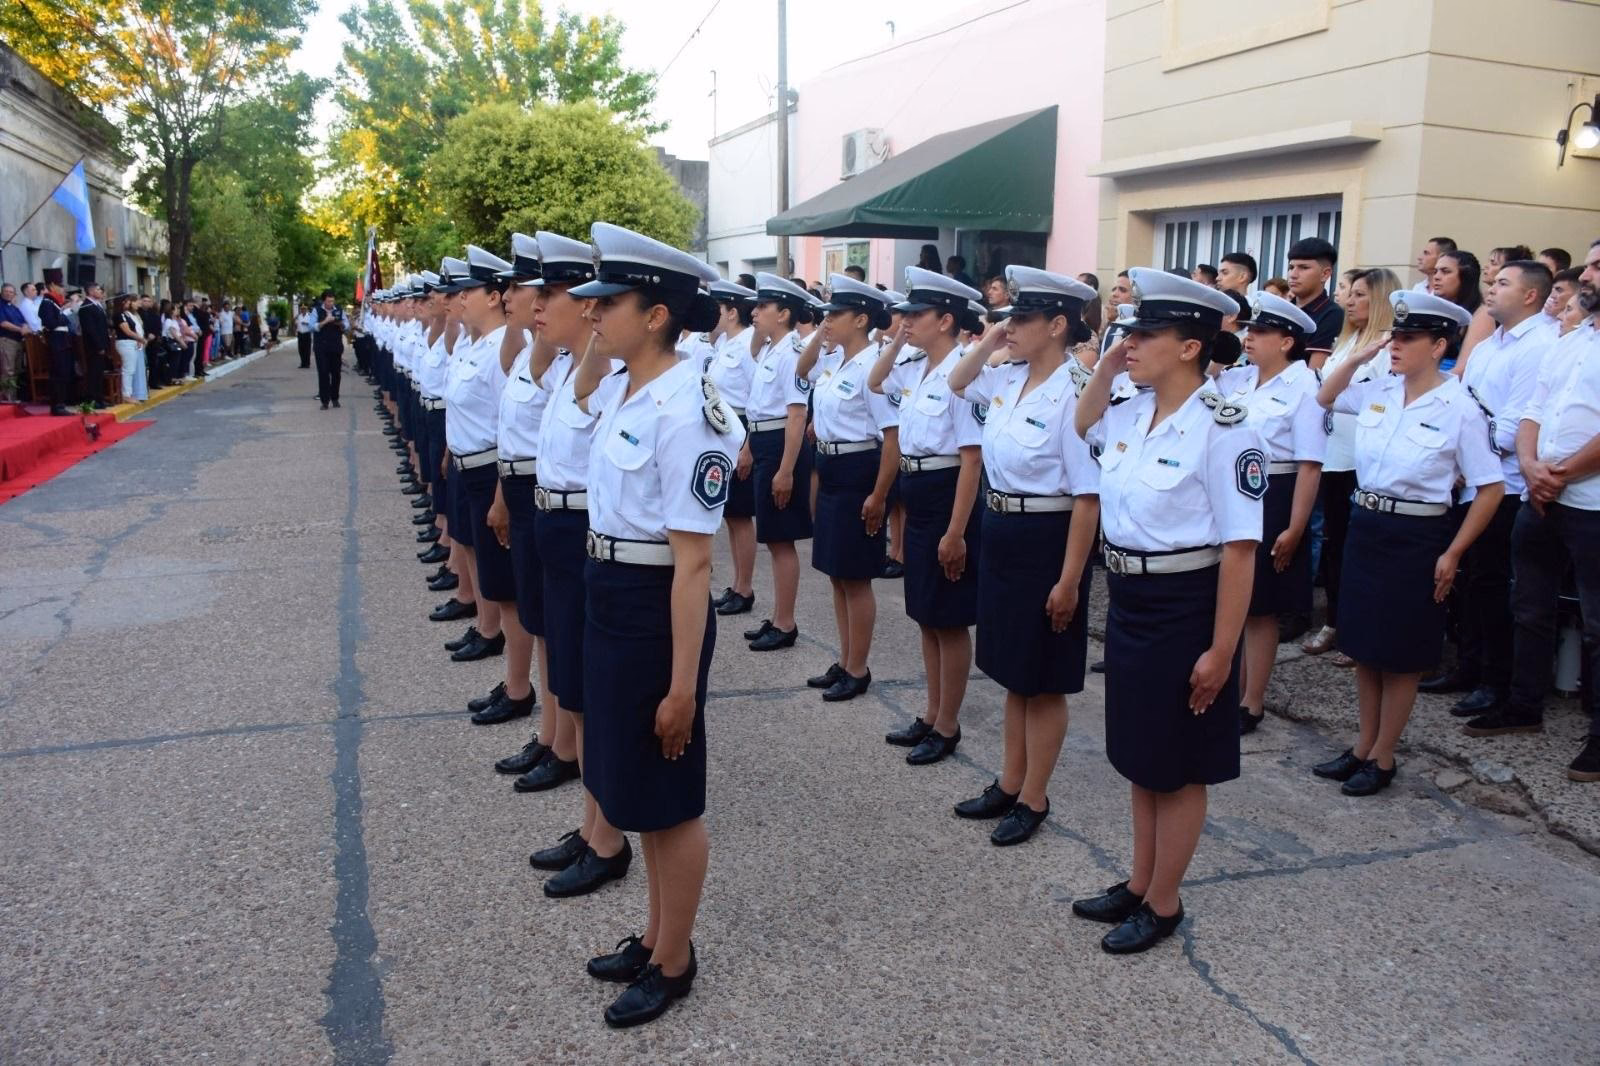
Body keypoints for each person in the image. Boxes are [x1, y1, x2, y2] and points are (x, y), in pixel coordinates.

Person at [566, 222, 741, 1028]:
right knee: (632, 786)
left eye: (611, 303)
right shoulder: (626, 389)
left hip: (654, 611)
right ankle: (653, 935)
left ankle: (674, 961)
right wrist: (598, 340)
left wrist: (683, 688)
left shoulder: (689, 410)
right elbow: (580, 386)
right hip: (609, 594)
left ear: (658, 314)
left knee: (669, 798)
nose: (593, 313)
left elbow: (694, 565)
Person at [1070, 268, 1263, 953]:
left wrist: (1222, 651)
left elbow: (1240, 551)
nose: (1131, 344)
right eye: (1129, 332)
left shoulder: (1224, 428)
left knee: (1178, 764)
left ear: (1189, 347)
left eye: (1146, 334)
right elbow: (1082, 422)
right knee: (1141, 754)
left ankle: (1165, 901)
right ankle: (1140, 880)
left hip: (1187, 607)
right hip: (1130, 600)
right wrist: (1108, 362)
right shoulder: (1129, 410)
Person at [1312, 290, 1503, 794]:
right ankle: (1362, 746)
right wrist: (1359, 355)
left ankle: (1384, 756)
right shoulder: (1379, 390)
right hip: (1368, 527)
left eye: (1409, 337)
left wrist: (1454, 551)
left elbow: (1490, 487)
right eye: (1394, 336)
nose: (1395, 345)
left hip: (1418, 536)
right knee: (1364, 647)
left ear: (1439, 345)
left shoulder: (1460, 408)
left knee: (1401, 653)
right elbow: (1325, 396)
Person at [939, 268, 1099, 846]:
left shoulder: (1078, 391)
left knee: (1044, 679)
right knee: (1012, 672)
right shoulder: (1008, 377)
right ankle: (1008, 782)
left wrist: (1070, 580)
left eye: (1022, 319)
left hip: (1047, 540)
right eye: (1010, 318)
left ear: (1057, 325)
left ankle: (1034, 797)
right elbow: (958, 380)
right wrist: (993, 337)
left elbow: (1087, 498)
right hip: (1001, 529)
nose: (1011, 328)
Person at [1462, 238, 1600, 784]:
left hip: (1589, 501)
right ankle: (1523, 705)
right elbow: (1534, 412)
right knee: (1529, 606)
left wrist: (1559, 472)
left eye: (1597, 267)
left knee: (1596, 624)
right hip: (1540, 494)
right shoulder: (1572, 340)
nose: (1586, 275)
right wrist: (1531, 464)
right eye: (1589, 265)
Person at [866, 270, 989, 764]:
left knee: (949, 619)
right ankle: (932, 712)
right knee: (925, 615)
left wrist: (956, 532)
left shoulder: (965, 373)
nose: (907, 320)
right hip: (918, 495)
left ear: (946, 320)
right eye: (905, 314)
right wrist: (898, 340)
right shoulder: (915, 367)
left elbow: (971, 461)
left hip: (946, 497)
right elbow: (875, 381)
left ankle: (948, 724)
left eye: (917, 315)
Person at [1446, 261, 1557, 721]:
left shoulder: (1539, 344)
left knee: (1494, 585)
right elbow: (1462, 406)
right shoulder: (1490, 342)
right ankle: (1468, 667)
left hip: (1505, 483)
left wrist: (1468, 455)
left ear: (1530, 295)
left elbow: (1513, 424)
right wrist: (1455, 458)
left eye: (1503, 283)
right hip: (1469, 479)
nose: (1490, 289)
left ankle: (1496, 681)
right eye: (1492, 283)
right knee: (1471, 581)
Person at [1213, 293, 1325, 735]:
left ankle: (1252, 700)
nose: (1250, 338)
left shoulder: (1305, 387)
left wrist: (1296, 527)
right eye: (1250, 330)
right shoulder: (1239, 378)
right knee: (1232, 596)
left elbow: (1309, 464)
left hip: (1276, 493)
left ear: (1286, 341)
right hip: (1234, 490)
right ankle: (1228, 688)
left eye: (1260, 332)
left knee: (1261, 607)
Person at [472, 236, 559, 762]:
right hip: (519, 488)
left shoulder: (563, 363)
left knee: (547, 619)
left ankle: (556, 738)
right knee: (535, 615)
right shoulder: (527, 352)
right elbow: (511, 433)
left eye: (521, 288)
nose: (508, 295)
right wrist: (502, 497)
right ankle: (548, 730)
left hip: (543, 495)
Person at [792, 274, 899, 702]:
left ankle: (859, 667)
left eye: (836, 314)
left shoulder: (875, 366)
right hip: (831, 469)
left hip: (859, 472)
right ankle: (845, 658)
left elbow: (891, 438)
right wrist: (823, 331)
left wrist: (879, 495)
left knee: (855, 577)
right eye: (826, 313)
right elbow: (801, 370)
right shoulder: (835, 360)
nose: (828, 320)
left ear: (861, 319)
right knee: (837, 574)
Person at [1301, 268, 1401, 662]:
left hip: (1360, 460)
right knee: (1335, 545)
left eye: (1361, 295)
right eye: (1351, 293)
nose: (1351, 301)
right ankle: (1336, 621)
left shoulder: (1386, 345)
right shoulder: (1348, 341)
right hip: (1333, 454)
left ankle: (1357, 628)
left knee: (1357, 549)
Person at [739, 273, 818, 652]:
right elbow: (759, 409)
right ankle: (778, 616)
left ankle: (786, 623)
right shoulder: (773, 350)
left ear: (784, 313)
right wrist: (748, 448)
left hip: (781, 447)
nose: (754, 313)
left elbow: (797, 415)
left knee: (781, 539)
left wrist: (785, 470)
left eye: (762, 306)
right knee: (772, 537)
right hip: (764, 442)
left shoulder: (793, 354)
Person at [704, 279, 760, 616]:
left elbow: (756, 400)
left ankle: (746, 587)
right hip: (722, 430)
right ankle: (737, 584)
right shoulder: (726, 342)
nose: (714, 314)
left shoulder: (748, 346)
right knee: (729, 516)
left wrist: (748, 447)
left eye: (719, 308)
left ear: (732, 312)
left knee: (740, 517)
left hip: (739, 431)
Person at [1284, 237, 1344, 360]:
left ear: (1325, 274)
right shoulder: (1282, 310)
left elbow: (1315, 369)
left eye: (1304, 268)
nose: (1293, 275)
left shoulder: (1332, 315)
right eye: (1291, 267)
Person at [1428, 249, 1482, 371]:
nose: (1436, 277)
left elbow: (1463, 369)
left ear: (1466, 277)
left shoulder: (1481, 313)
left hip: (1451, 381)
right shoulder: (1434, 309)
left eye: (1445, 271)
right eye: (1435, 271)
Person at [38, 264, 73, 414]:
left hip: (62, 340)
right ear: (52, 285)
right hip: (56, 340)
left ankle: (62, 403)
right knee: (58, 372)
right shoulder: (47, 302)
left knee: (64, 372)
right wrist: (65, 316)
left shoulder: (55, 303)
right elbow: (50, 322)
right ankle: (57, 405)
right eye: (60, 285)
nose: (62, 289)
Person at [78, 281, 111, 408]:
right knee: (93, 373)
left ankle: (99, 398)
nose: (100, 291)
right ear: (91, 291)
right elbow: (90, 329)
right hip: (93, 346)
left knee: (99, 373)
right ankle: (92, 399)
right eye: (98, 289)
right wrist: (99, 346)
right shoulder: (86, 307)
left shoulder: (97, 305)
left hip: (102, 343)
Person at [313, 291, 347, 409]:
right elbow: (312, 326)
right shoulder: (316, 310)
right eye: (329, 301)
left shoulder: (339, 310)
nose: (331, 303)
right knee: (323, 373)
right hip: (321, 348)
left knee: (336, 374)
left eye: (333, 301)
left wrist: (340, 324)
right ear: (324, 301)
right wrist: (325, 321)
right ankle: (325, 401)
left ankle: (335, 398)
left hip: (335, 346)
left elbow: (346, 325)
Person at [112, 293, 149, 402]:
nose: (129, 303)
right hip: (125, 343)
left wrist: (137, 339)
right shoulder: (118, 315)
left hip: (131, 343)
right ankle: (126, 394)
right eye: (127, 301)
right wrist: (140, 338)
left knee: (131, 369)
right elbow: (127, 331)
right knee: (128, 369)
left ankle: (130, 392)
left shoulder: (126, 314)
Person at [0, 283, 32, 402]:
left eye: (11, 292)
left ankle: (13, 397)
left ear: (14, 294)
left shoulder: (14, 308)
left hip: (18, 341)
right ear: (2, 293)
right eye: (6, 291)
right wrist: (20, 329)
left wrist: (25, 327)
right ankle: (7, 399)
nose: (9, 294)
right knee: (7, 370)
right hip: (6, 340)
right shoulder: (1, 306)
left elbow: (23, 322)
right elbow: (3, 323)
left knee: (17, 370)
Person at [296, 303, 313, 368]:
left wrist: (306, 323)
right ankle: (302, 363)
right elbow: (296, 323)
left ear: (306, 309)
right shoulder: (299, 316)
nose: (303, 310)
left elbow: (312, 324)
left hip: (307, 334)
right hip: (300, 334)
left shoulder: (310, 316)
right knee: (301, 349)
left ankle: (307, 364)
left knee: (307, 349)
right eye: (302, 309)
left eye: (304, 309)